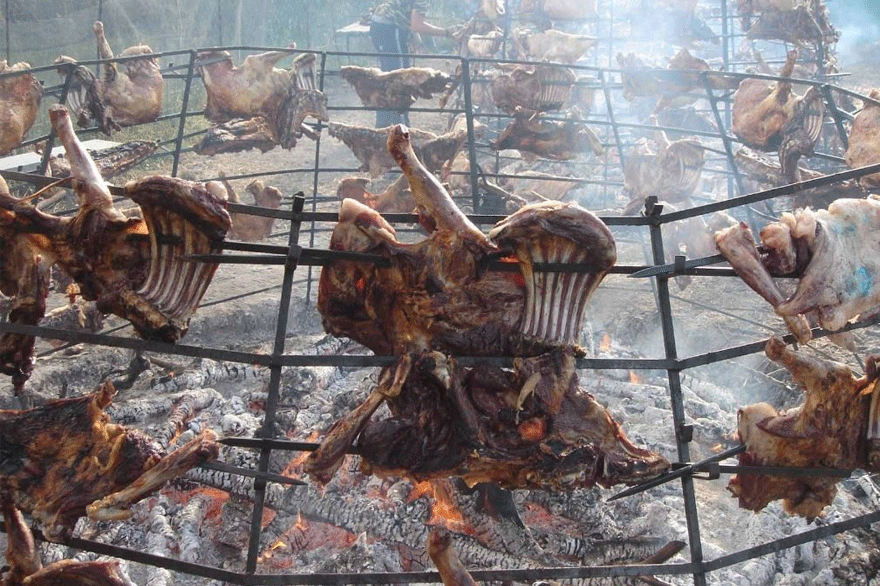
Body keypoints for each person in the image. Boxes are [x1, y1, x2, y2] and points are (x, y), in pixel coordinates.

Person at [368, 0, 452, 127]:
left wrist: (412, 37)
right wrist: (447, 33)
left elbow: (408, 16)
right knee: (401, 79)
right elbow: (417, 25)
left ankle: (383, 125)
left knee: (389, 78)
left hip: (380, 26)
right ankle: (400, 128)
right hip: (390, 29)